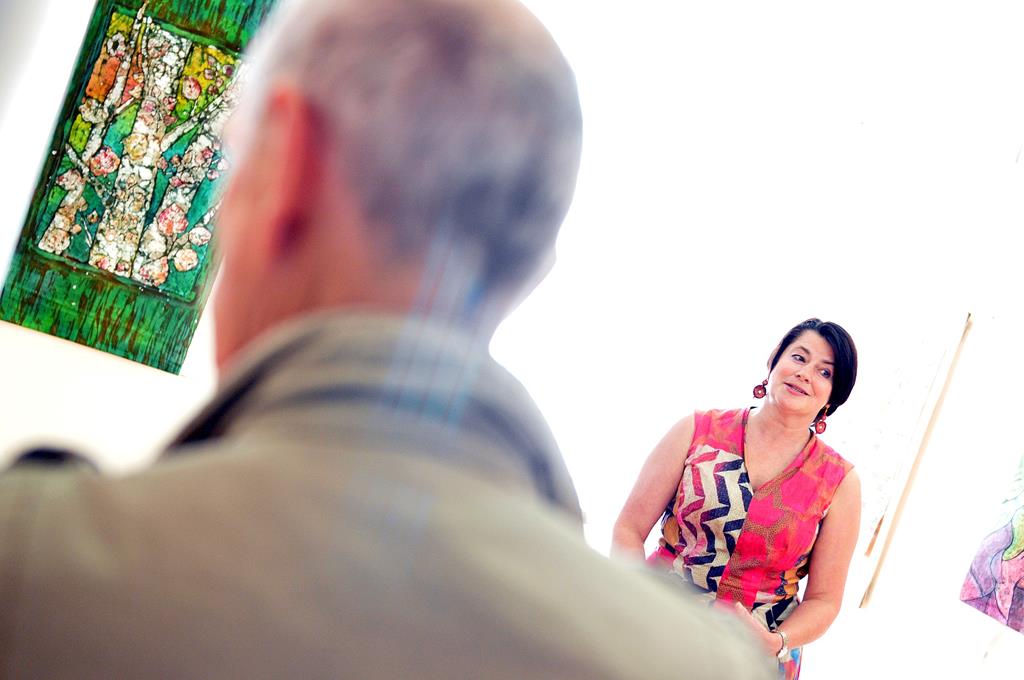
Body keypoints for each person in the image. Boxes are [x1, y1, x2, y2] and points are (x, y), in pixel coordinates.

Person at [0, 1, 776, 678]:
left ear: (285, 164)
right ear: (535, 265)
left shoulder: (34, 570)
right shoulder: (705, 666)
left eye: (234, 166)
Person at [612, 318, 861, 680]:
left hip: (751, 657)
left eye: (825, 372)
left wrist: (777, 641)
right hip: (656, 621)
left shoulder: (839, 482)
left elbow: (824, 600)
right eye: (799, 357)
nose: (805, 374)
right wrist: (634, 598)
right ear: (774, 359)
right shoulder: (696, 430)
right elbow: (629, 528)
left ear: (833, 396)